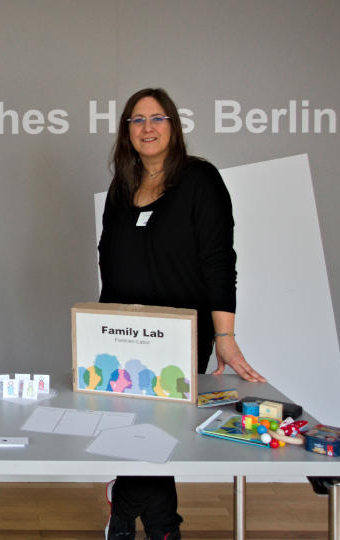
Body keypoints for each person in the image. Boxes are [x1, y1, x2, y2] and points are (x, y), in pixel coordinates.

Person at [97, 88, 265, 540]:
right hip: (120, 332)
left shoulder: (199, 179)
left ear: (173, 126)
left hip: (178, 334)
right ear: (126, 131)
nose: (147, 128)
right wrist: (98, 331)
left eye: (157, 118)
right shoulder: (122, 186)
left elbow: (217, 258)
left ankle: (146, 520)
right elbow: (107, 259)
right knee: (133, 425)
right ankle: (143, 519)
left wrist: (224, 336)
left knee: (159, 427)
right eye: (136, 120)